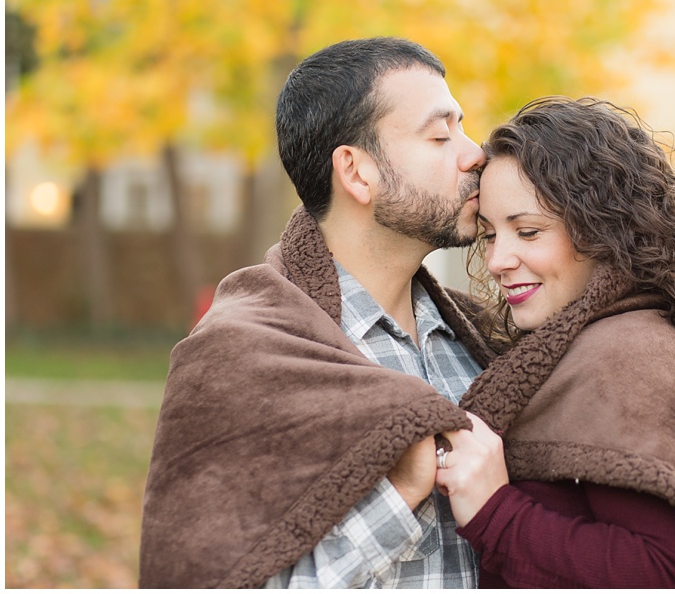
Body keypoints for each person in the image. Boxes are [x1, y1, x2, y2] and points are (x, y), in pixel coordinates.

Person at [139, 37, 500, 588]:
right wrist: (399, 495)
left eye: (463, 127)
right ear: (356, 172)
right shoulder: (243, 355)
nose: (474, 152)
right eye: (440, 134)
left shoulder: (487, 339)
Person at [434, 96, 675, 588]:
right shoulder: (602, 338)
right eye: (491, 235)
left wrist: (495, 511)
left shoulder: (632, 357)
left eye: (529, 231)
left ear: (604, 229)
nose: (497, 261)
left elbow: (673, 575)